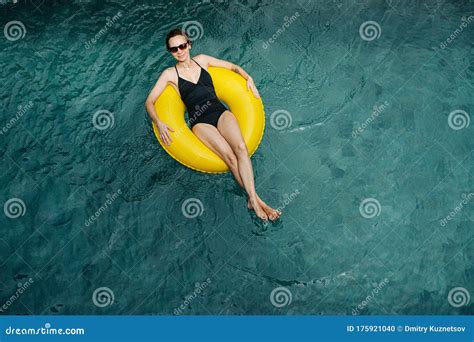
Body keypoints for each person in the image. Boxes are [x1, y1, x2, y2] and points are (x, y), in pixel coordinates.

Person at [145, 28, 281, 222]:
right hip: (200, 122)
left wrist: (248, 78)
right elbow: (149, 101)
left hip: (219, 112)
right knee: (230, 158)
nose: (180, 51)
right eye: (174, 49)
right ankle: (257, 201)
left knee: (241, 148)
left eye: (182, 46)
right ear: (170, 53)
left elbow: (233, 67)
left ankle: (254, 201)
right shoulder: (169, 75)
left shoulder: (203, 60)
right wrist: (158, 122)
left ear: (189, 45)